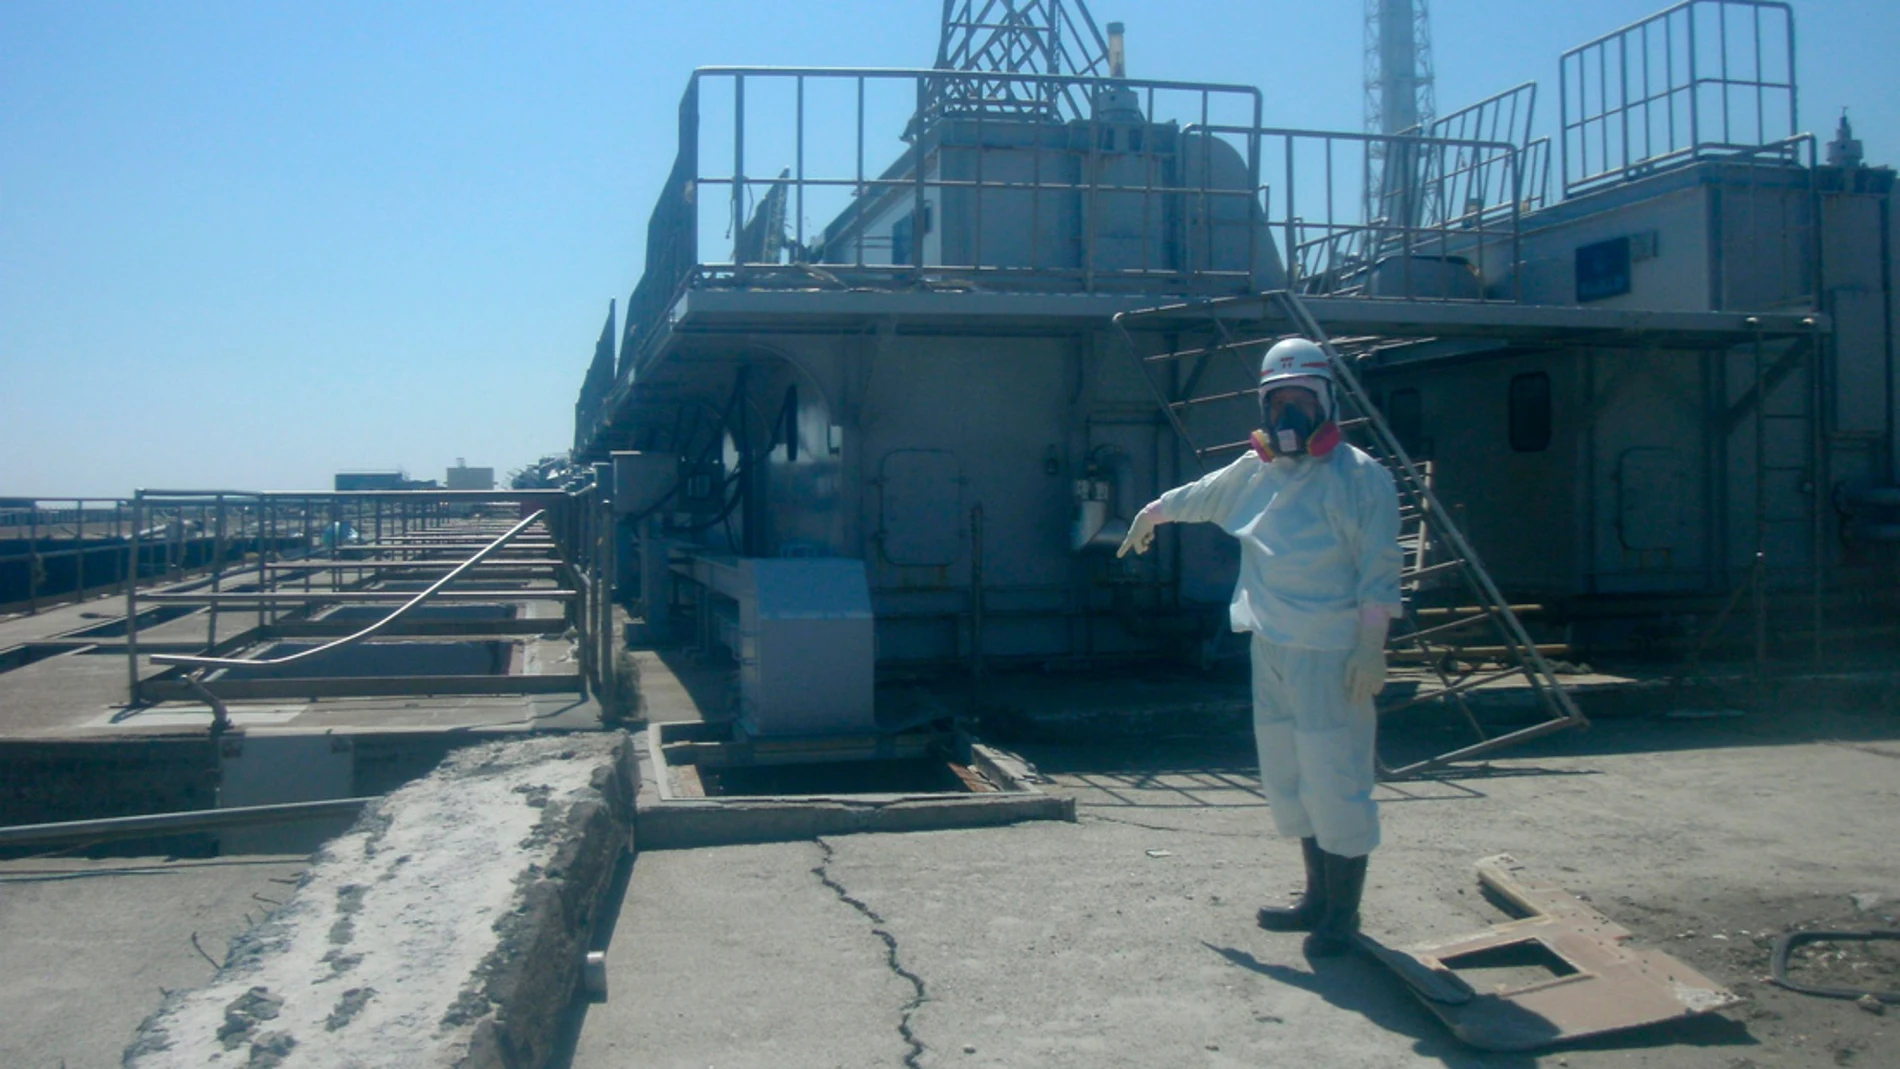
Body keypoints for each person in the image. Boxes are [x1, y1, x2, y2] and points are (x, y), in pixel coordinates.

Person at [1118, 337, 1402, 957]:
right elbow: (1203, 493)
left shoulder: (1361, 478)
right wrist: (1152, 513)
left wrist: (1371, 645)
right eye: (1277, 402)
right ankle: (1315, 898)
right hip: (1269, 646)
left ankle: (1343, 914)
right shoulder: (1257, 472)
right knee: (1289, 775)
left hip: (1330, 653)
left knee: (1334, 776)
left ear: (1326, 402)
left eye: (1301, 400)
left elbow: (1380, 569)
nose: (1287, 414)